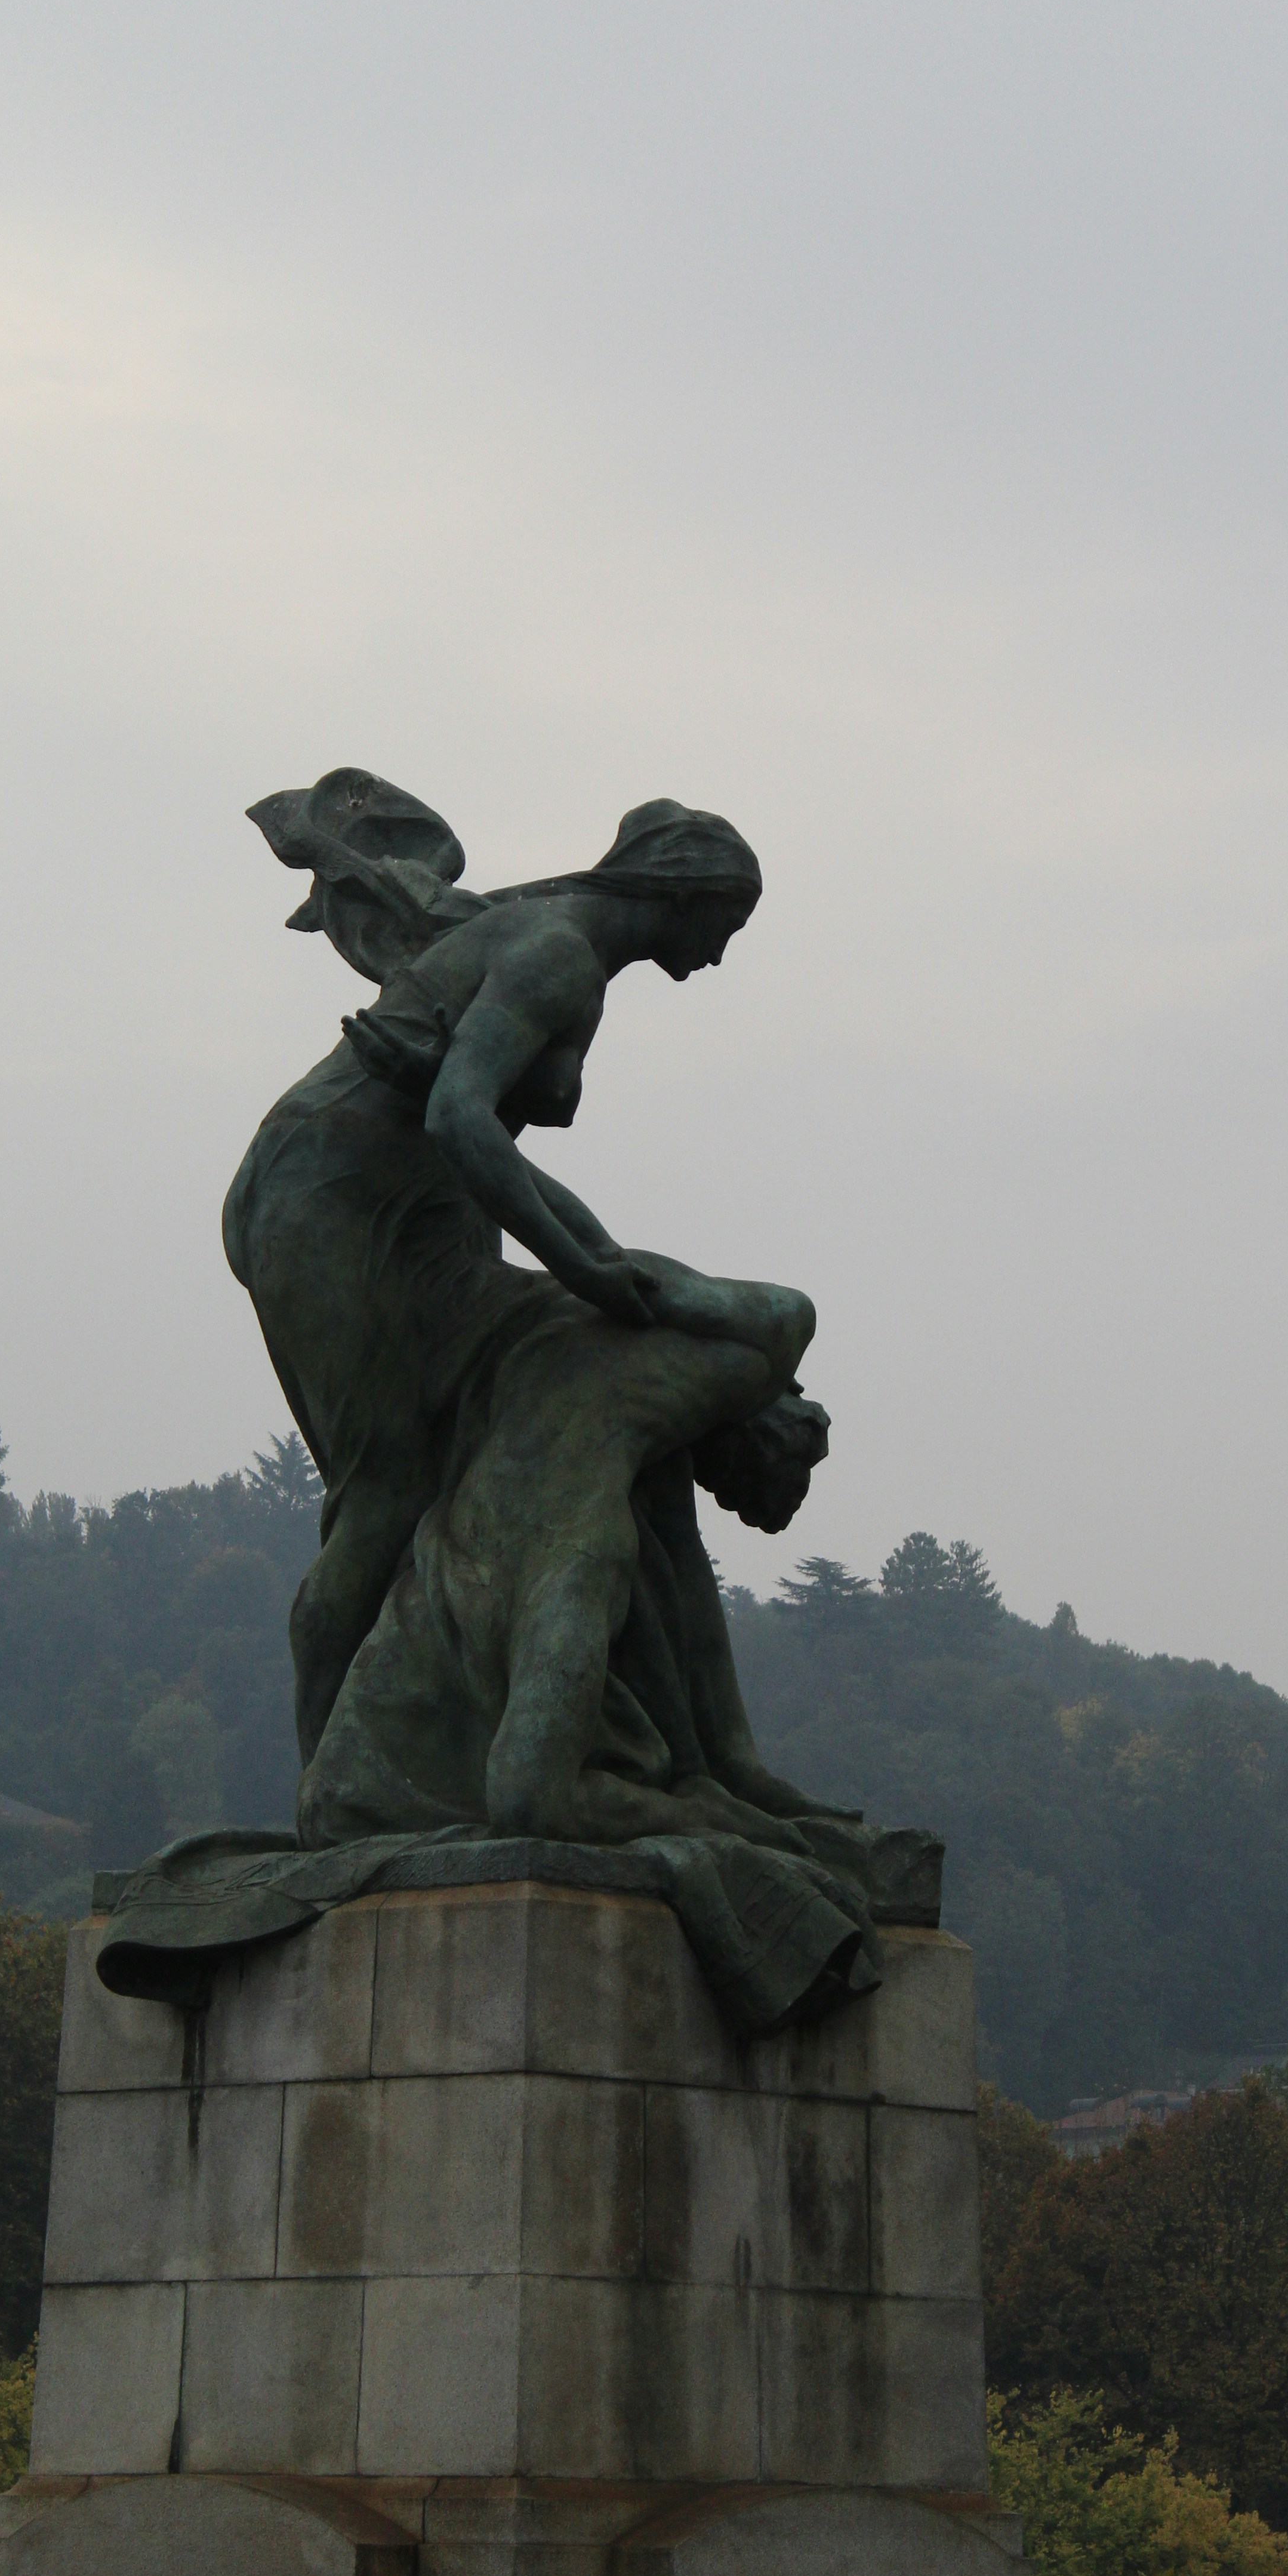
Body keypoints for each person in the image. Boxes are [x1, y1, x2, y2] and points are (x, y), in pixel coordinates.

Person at [224, 770, 849, 1855]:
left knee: (526, 1440)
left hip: (425, 1210)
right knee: (389, 1491)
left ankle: (710, 1753)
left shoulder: (550, 945)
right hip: (334, 1203)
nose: (723, 952)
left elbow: (467, 1111)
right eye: (727, 924)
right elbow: (466, 1116)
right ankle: (335, 1792)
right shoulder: (558, 953)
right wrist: (595, 1266)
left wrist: (595, 1263)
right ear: (686, 899)